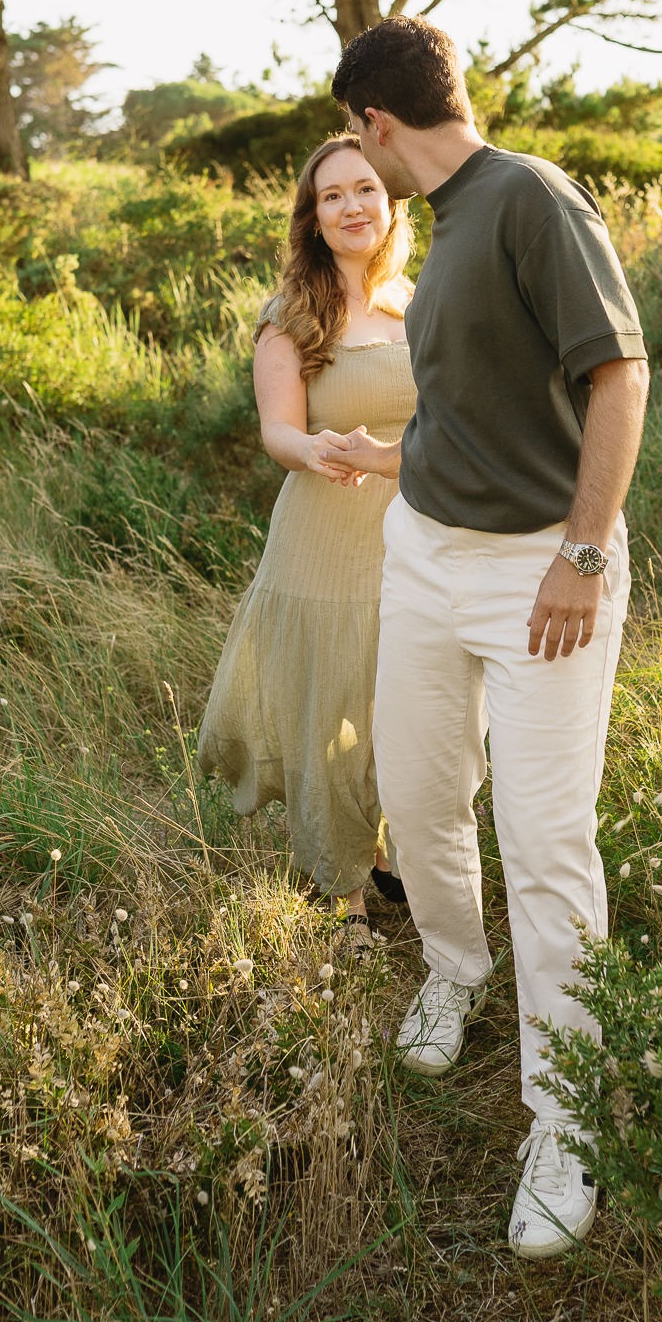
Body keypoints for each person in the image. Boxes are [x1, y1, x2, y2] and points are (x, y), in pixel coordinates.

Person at [330, 18, 649, 1259]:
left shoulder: (527, 197)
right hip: (424, 553)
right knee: (417, 790)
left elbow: (618, 376)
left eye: (358, 139)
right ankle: (455, 967)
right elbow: (468, 389)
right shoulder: (446, 219)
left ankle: (566, 1117)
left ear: (377, 124)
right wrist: (395, 454)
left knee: (544, 835)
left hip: (539, 572)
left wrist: (581, 554)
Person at [197, 135, 416, 952]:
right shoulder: (291, 313)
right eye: (332, 196)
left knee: (399, 711)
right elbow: (277, 432)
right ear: (313, 218)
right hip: (325, 536)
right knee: (331, 713)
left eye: (366, 189)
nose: (352, 206)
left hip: (416, 538)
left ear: (391, 203)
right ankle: (345, 894)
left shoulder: (416, 302)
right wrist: (316, 449)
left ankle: (386, 849)